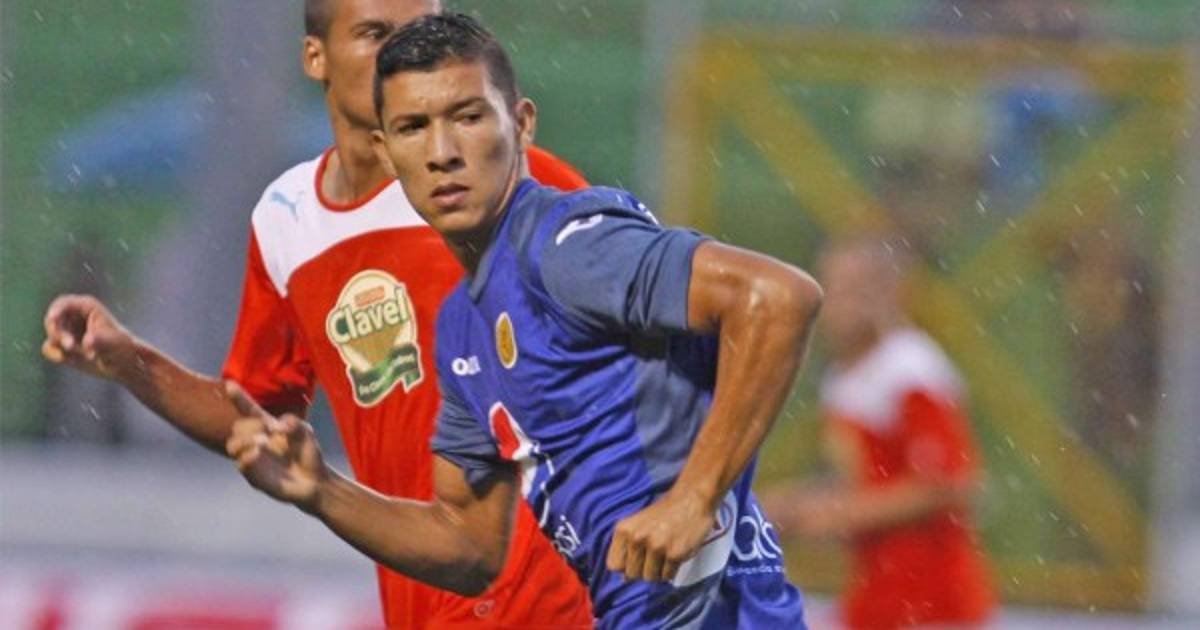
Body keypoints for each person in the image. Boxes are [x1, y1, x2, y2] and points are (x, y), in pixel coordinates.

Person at [224, 13, 823, 629]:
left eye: (467, 117)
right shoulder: (462, 327)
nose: (442, 153)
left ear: (522, 123)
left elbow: (778, 298)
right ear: (385, 151)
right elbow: (467, 544)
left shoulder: (564, 245)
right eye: (413, 127)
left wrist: (694, 497)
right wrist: (323, 491)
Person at [40, 1, 594, 628]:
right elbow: (253, 415)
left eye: (421, 33)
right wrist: (128, 361)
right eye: (375, 35)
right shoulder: (289, 220)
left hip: (559, 603)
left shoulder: (511, 181)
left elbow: (660, 334)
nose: (404, 56)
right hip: (425, 600)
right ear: (315, 56)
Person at [763, 240, 994, 629]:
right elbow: (871, 479)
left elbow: (949, 483)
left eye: (855, 289)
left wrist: (837, 514)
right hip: (881, 598)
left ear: (893, 293)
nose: (839, 304)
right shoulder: (847, 375)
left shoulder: (910, 370)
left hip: (932, 603)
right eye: (831, 288)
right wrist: (792, 506)